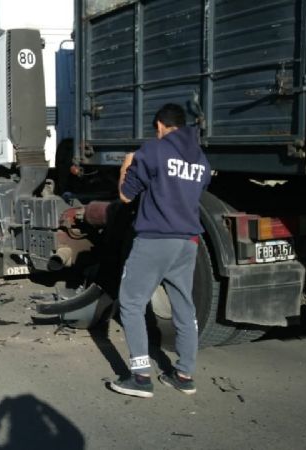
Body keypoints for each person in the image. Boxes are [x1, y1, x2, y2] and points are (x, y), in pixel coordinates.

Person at [109, 103, 211, 399]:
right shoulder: (201, 160)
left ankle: (140, 378)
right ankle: (184, 374)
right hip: (188, 242)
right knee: (184, 308)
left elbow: (126, 196)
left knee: (130, 302)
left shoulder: (153, 151)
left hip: (155, 239)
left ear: (159, 126)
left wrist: (127, 164)